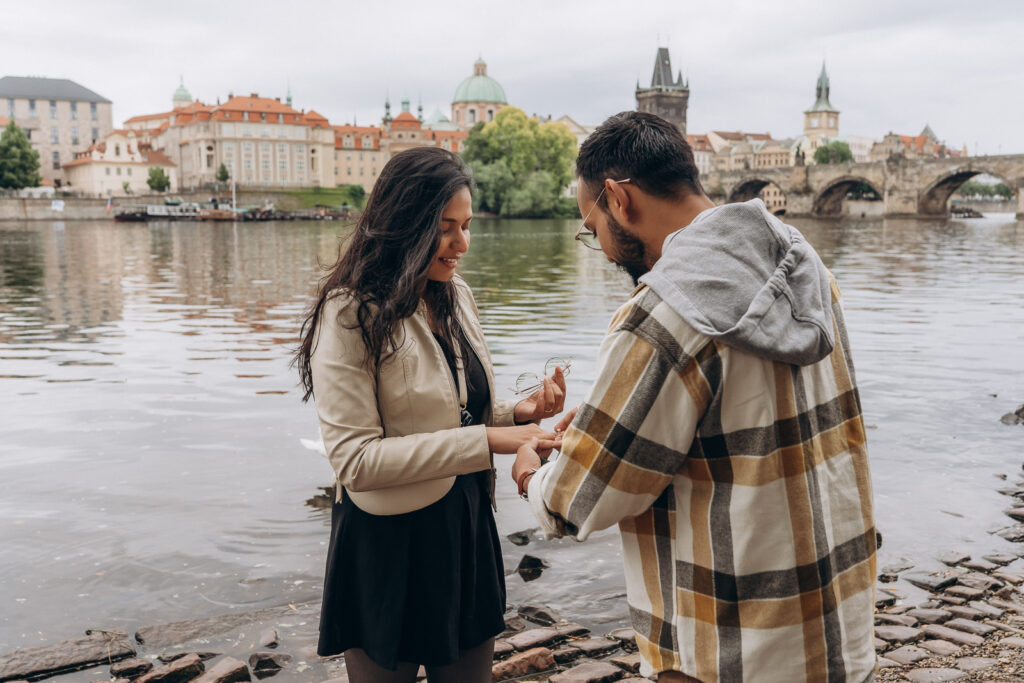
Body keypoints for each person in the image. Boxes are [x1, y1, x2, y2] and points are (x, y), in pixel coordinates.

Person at [512, 112, 876, 682]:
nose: (603, 248)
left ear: (618, 198)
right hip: (832, 624)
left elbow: (583, 498)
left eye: (592, 227)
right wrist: (614, 424)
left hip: (726, 645)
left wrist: (535, 473)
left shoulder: (665, 311)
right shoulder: (807, 267)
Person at [295, 147, 566, 682]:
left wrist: (520, 413)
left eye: (466, 226)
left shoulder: (454, 293)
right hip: (385, 542)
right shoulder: (348, 312)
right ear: (404, 225)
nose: (462, 244)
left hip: (465, 524)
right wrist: (490, 441)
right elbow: (356, 462)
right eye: (445, 228)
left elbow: (456, 409)